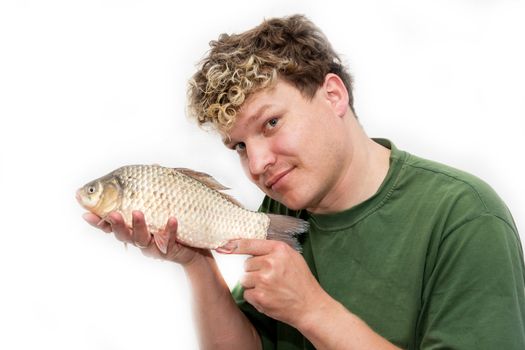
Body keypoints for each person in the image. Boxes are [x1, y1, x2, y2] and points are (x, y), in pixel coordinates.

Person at [83, 14, 525, 349]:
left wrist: (313, 311)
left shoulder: (465, 217)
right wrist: (195, 262)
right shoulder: (284, 210)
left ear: (333, 95)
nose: (257, 163)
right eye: (238, 146)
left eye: (271, 122)